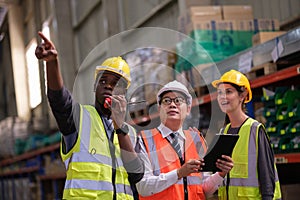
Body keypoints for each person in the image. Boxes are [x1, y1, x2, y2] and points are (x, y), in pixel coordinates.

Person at [35, 31, 144, 199]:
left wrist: (120, 127)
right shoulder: (79, 118)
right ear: (95, 87)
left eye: (116, 84)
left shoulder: (130, 134)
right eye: (103, 81)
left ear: (124, 92)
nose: (108, 86)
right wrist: (52, 63)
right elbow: (59, 100)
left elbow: (136, 175)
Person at [135, 80, 234, 200]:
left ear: (187, 109)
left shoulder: (197, 140)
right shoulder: (145, 140)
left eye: (178, 100)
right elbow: (143, 187)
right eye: (167, 100)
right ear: (159, 108)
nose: (172, 105)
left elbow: (202, 189)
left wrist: (221, 174)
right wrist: (179, 173)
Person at [212, 69, 282, 200]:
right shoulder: (224, 132)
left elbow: (267, 177)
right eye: (220, 92)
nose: (223, 97)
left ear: (242, 95)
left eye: (229, 92)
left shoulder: (255, 129)